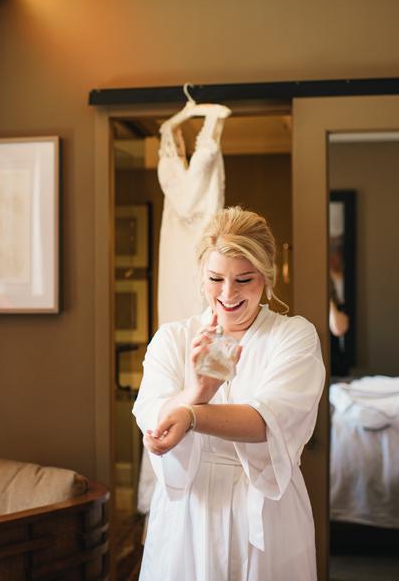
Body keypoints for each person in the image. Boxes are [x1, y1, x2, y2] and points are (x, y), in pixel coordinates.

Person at [132, 206, 326, 580]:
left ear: (267, 276)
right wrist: (197, 389)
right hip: (190, 510)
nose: (228, 293)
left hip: (266, 512)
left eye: (244, 279)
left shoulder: (293, 336)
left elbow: (269, 421)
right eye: (215, 278)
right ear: (201, 276)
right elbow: (155, 421)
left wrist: (191, 414)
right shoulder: (172, 339)